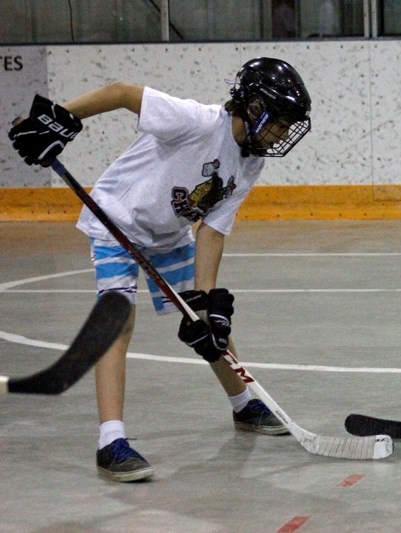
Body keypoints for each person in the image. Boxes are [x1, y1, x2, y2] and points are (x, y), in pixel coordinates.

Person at [7, 57, 312, 482]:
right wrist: (60, 118)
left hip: (168, 235)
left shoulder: (250, 161)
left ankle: (244, 404)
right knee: (118, 322)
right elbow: (120, 92)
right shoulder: (199, 122)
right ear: (253, 106)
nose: (281, 133)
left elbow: (212, 230)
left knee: (206, 322)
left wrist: (207, 301)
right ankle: (110, 442)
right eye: (278, 121)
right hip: (117, 219)